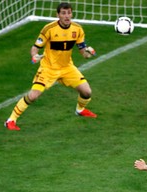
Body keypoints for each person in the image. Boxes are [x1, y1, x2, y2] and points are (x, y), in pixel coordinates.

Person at [5, 2, 97, 131]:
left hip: (67, 68)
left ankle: (80, 110)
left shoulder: (77, 29)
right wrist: (34, 56)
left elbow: (84, 54)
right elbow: (35, 47)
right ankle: (10, 120)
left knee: (87, 92)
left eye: (69, 13)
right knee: (33, 96)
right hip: (48, 69)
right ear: (58, 15)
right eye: (63, 13)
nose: (67, 16)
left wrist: (89, 52)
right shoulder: (49, 29)